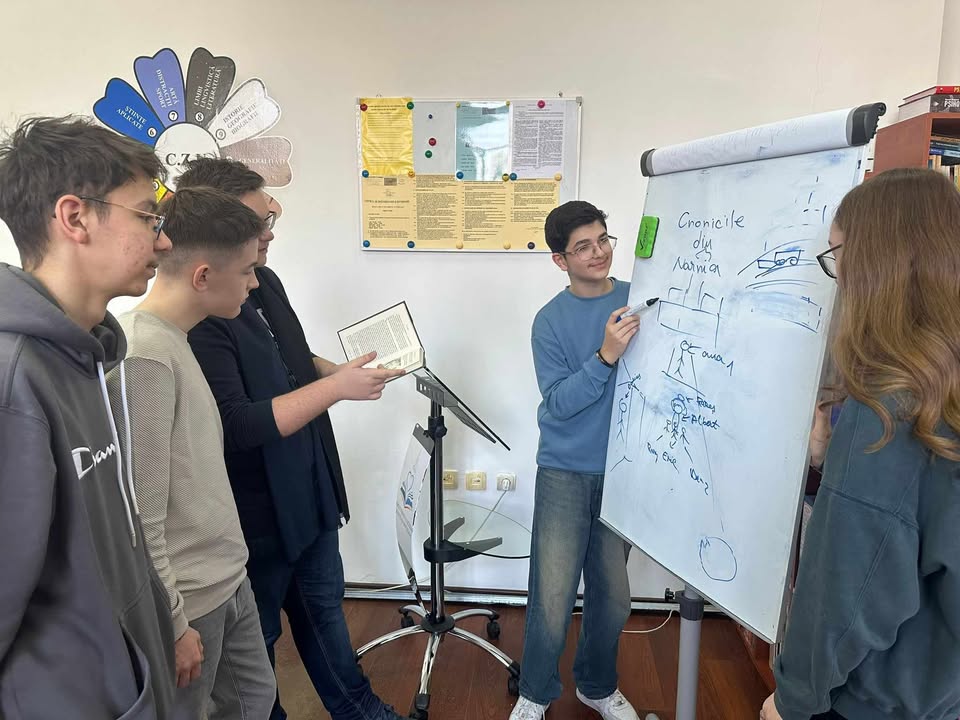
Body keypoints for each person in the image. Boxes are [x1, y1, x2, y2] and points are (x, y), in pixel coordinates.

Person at [177, 158, 406, 720]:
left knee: (326, 616)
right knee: (258, 645)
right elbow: (239, 424)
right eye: (259, 222)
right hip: (258, 515)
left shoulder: (264, 280)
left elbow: (291, 359)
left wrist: (336, 373)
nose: (269, 234)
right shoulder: (202, 313)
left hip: (308, 492)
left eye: (270, 218)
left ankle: (362, 711)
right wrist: (337, 390)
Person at [761, 168, 960, 720]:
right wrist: (829, 464)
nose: (838, 273)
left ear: (877, 261)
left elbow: (847, 592)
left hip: (883, 701)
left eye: (838, 254)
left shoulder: (889, 409)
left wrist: (792, 698)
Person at [0, 116, 176, 718]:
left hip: (127, 684)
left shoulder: (89, 354)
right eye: (148, 218)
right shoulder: (15, 381)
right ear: (75, 218)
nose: (163, 243)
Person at [108, 186, 277, 719]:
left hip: (228, 577)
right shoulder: (144, 357)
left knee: (255, 700)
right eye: (247, 271)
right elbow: (141, 515)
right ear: (203, 276)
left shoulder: (177, 339)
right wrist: (174, 621)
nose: (254, 283)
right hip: (189, 600)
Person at [510, 200, 642, 720]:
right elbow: (560, 403)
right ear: (560, 260)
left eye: (603, 239)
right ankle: (535, 692)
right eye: (583, 247)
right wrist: (605, 355)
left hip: (624, 470)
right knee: (552, 594)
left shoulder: (638, 300)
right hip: (564, 469)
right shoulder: (549, 322)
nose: (598, 252)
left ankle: (596, 685)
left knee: (613, 599)